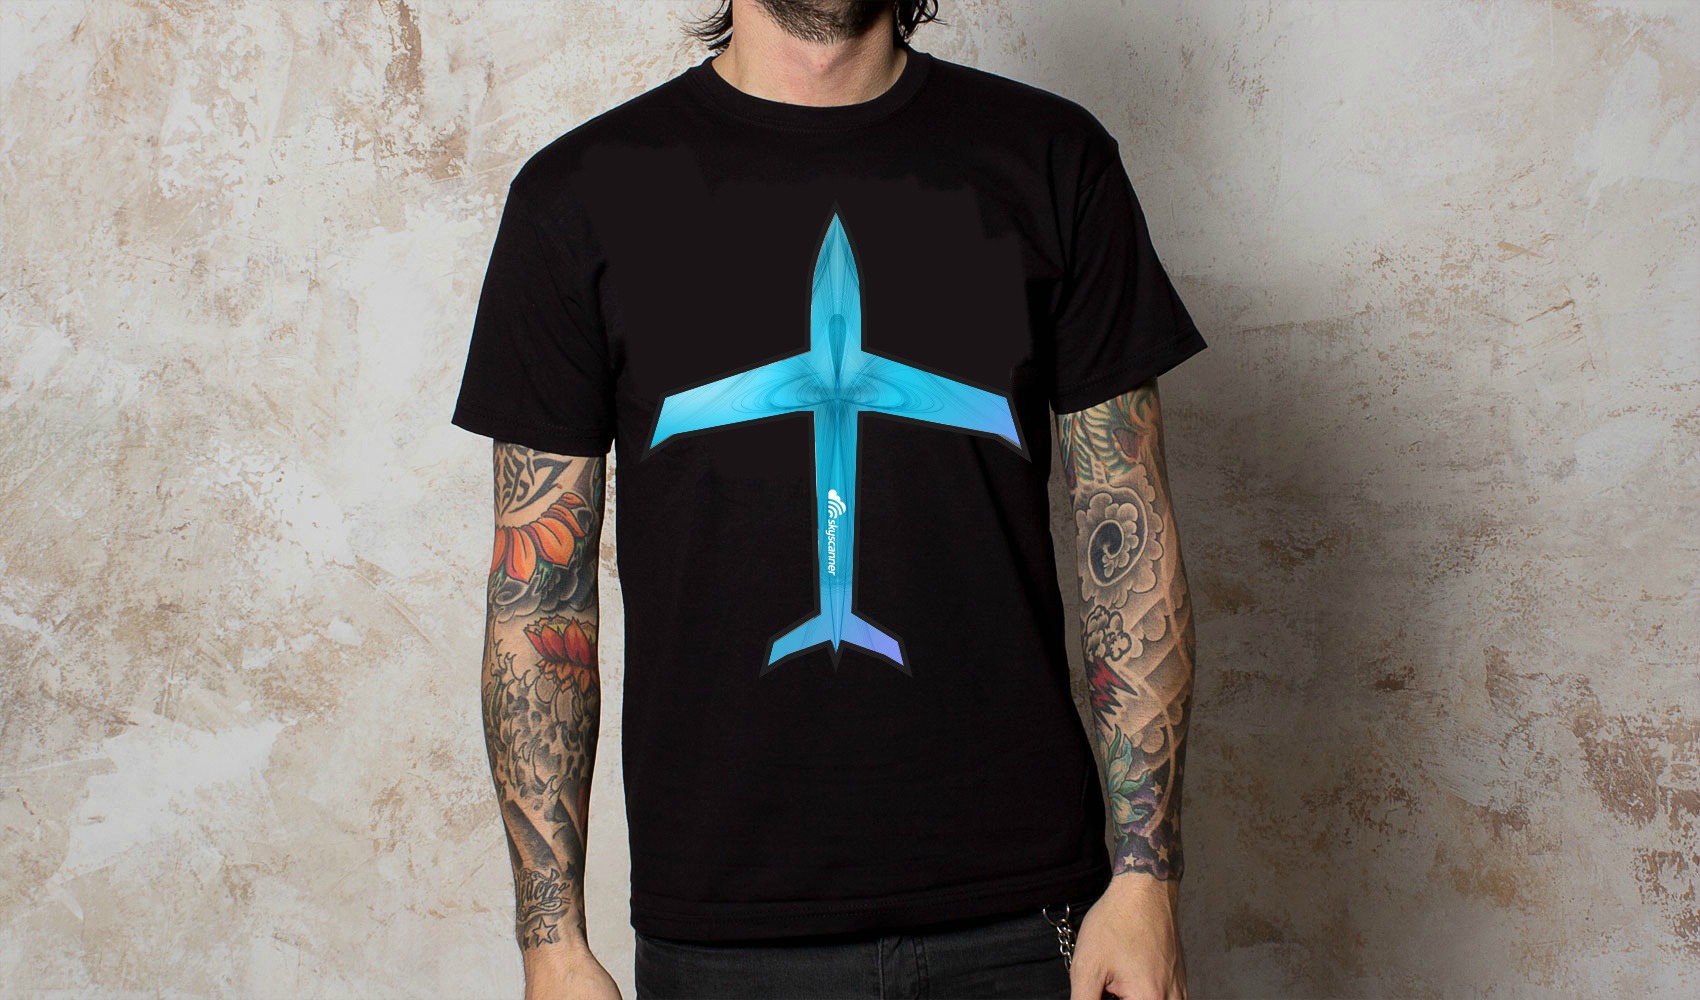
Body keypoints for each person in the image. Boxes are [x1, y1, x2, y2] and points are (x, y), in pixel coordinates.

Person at [450, 2, 1205, 997]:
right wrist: (550, 942)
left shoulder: (1053, 160)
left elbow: (1130, 539)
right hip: (722, 935)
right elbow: (538, 598)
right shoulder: (577, 195)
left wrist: (1146, 880)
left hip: (1025, 921)